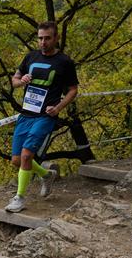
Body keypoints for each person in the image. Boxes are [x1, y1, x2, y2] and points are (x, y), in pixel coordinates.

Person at [5, 21, 79, 212]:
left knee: (26, 155)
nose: (43, 42)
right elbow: (14, 81)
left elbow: (73, 90)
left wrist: (58, 108)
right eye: (40, 38)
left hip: (45, 116)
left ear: (56, 38)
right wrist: (21, 81)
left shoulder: (64, 62)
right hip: (26, 114)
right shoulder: (31, 57)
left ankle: (19, 198)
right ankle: (47, 175)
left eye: (47, 38)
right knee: (17, 160)